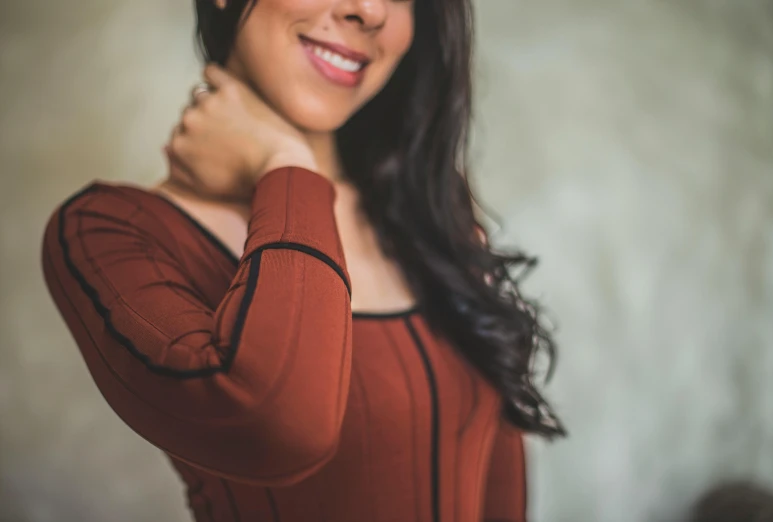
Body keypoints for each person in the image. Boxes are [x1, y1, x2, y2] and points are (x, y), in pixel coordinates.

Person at [41, 0, 566, 520]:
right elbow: (281, 428)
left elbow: (501, 491)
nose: (370, 10)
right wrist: (287, 167)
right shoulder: (110, 232)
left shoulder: (429, 211)